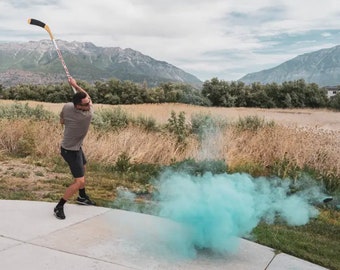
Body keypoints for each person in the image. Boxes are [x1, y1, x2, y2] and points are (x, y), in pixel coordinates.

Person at [54, 77, 96, 220]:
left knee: (83, 167)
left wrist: (75, 86)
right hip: (70, 151)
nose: (89, 104)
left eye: (88, 103)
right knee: (79, 181)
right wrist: (76, 85)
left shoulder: (67, 106)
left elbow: (62, 119)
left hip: (75, 147)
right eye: (86, 104)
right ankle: (59, 206)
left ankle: (82, 197)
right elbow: (88, 96)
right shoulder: (86, 115)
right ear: (78, 106)